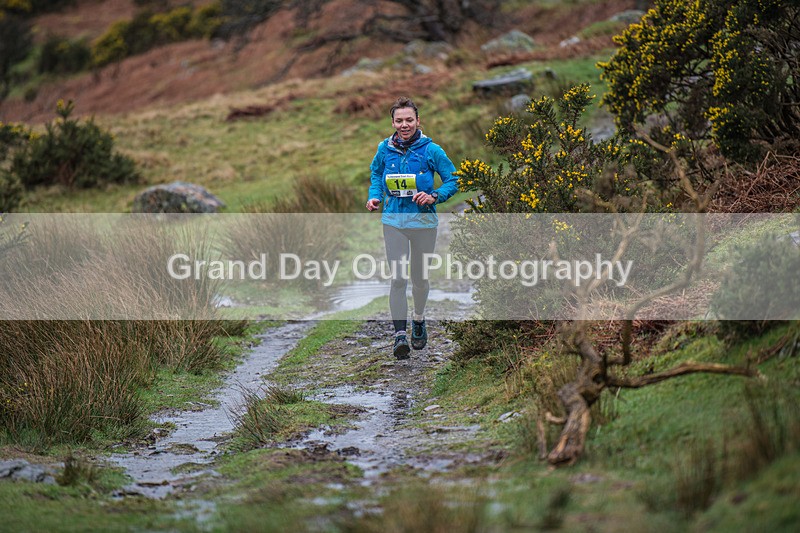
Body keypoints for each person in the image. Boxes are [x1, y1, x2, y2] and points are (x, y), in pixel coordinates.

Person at [366, 96, 458, 359]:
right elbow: (376, 174)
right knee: (398, 278)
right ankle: (399, 336)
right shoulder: (384, 149)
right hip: (393, 221)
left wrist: (434, 196)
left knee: (419, 278)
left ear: (418, 121)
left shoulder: (432, 150)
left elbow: (453, 179)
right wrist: (375, 196)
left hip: (424, 223)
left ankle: (418, 318)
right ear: (393, 123)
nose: (404, 125)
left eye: (409, 120)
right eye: (399, 121)